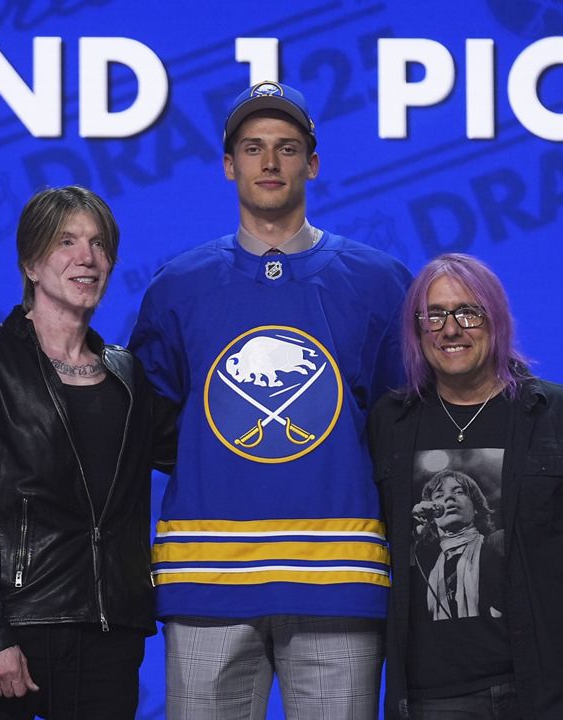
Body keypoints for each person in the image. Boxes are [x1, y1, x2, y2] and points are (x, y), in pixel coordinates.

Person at [129, 81, 411, 719]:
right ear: (229, 165)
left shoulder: (380, 280)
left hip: (338, 577)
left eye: (287, 148)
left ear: (312, 163)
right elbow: (153, 424)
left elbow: (401, 425)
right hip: (207, 578)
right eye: (253, 148)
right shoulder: (177, 286)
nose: (270, 162)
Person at [0, 186, 172, 719]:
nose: (88, 258)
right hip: (11, 632)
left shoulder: (129, 375)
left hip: (109, 639)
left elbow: (199, 455)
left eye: (100, 245)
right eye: (67, 242)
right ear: (31, 263)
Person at [370, 253, 563, 720]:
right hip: (434, 695)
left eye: (468, 312)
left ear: (496, 319)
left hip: (550, 688)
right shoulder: (387, 424)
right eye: (433, 315)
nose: (450, 329)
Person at [414, 469, 505, 621]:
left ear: (476, 508)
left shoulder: (497, 542)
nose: (449, 497)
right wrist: (414, 534)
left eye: (459, 492)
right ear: (432, 515)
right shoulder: (426, 565)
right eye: (439, 495)